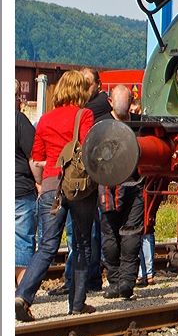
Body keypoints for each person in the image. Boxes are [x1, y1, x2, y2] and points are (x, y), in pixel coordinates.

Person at [16, 71, 99, 321]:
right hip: (79, 187)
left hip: (52, 185)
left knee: (47, 246)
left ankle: (22, 296)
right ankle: (76, 305)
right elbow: (89, 148)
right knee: (82, 244)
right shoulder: (84, 115)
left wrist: (42, 184)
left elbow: (38, 158)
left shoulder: (45, 119)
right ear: (80, 91)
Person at [56, 67, 108, 296]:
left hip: (71, 180)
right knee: (81, 237)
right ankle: (78, 287)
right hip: (76, 181)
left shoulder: (94, 108)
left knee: (81, 236)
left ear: (97, 84)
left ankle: (85, 280)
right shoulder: (85, 111)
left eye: (89, 83)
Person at [98, 85, 144, 300]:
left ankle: (119, 282)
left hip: (111, 186)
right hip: (126, 185)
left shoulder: (101, 126)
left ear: (110, 102)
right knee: (126, 234)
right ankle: (123, 281)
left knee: (116, 236)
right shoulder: (138, 125)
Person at [15, 80, 38, 290]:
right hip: (20, 190)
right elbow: (34, 157)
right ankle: (22, 290)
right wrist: (39, 182)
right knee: (22, 241)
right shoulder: (18, 120)